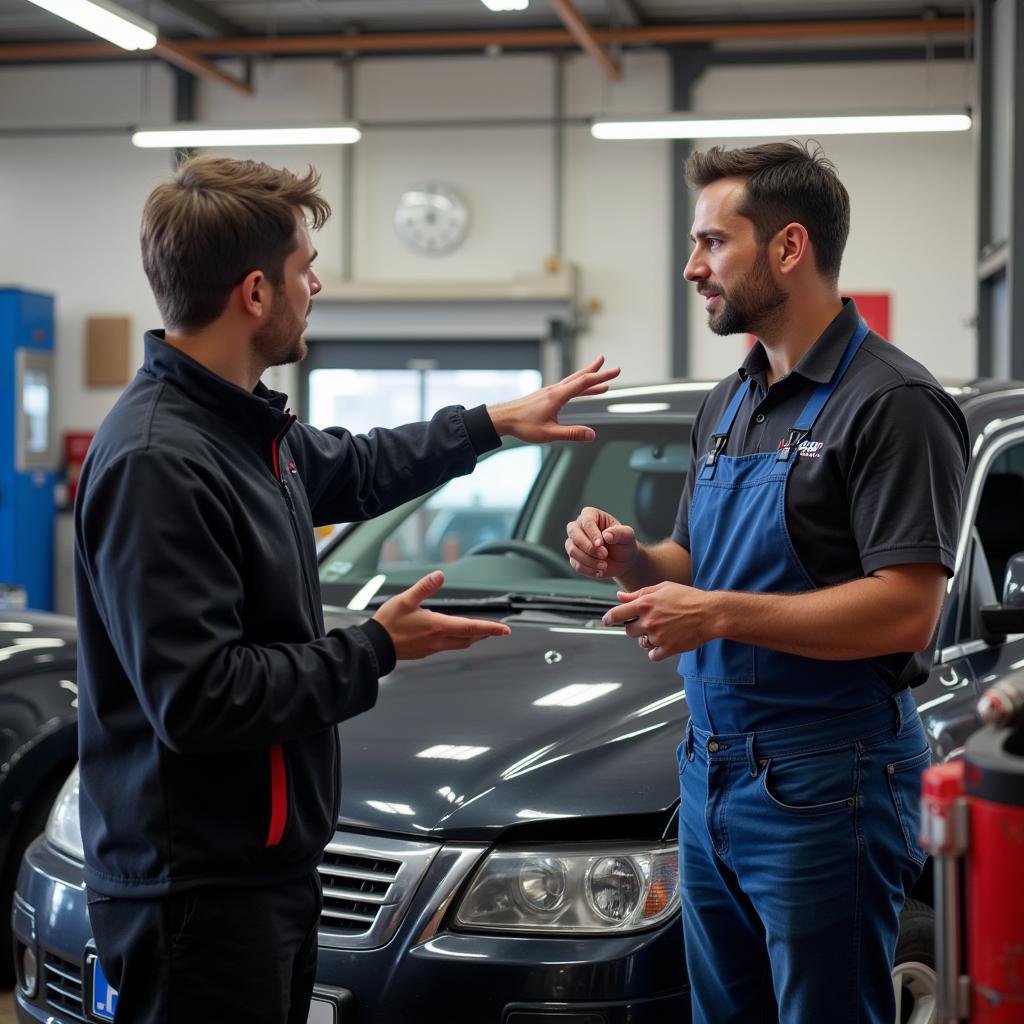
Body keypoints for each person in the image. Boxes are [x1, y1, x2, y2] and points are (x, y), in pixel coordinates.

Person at [74, 154, 619, 1024]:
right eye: (304, 270)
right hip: (196, 894)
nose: (315, 286)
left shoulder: (247, 426)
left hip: (264, 871)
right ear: (256, 293)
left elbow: (360, 466)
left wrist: (494, 425)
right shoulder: (159, 461)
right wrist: (376, 646)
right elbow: (198, 698)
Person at [565, 141, 969, 1024]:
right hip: (711, 771)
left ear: (788, 248)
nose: (691, 266)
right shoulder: (732, 398)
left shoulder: (892, 402)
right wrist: (630, 558)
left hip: (828, 780)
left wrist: (713, 615)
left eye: (713, 242)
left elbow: (907, 609)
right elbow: (692, 560)